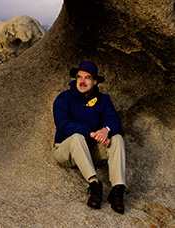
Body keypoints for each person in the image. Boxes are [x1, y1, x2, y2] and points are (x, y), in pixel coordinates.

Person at [52, 61, 128, 214]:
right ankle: (94, 185)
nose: (82, 81)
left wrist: (105, 130)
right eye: (79, 77)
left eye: (87, 78)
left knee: (117, 138)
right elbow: (63, 124)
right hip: (66, 152)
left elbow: (114, 120)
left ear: (95, 81)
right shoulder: (64, 98)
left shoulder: (103, 100)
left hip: (89, 152)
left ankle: (117, 190)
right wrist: (91, 133)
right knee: (76, 137)